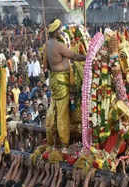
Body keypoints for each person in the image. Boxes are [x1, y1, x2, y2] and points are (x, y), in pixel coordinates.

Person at [45, 19, 86, 148]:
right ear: (55, 31)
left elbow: (45, 66)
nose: (60, 32)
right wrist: (87, 56)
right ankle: (64, 145)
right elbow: (73, 55)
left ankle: (52, 141)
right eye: (59, 30)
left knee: (54, 110)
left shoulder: (46, 45)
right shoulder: (58, 45)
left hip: (54, 80)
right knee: (62, 113)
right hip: (62, 82)